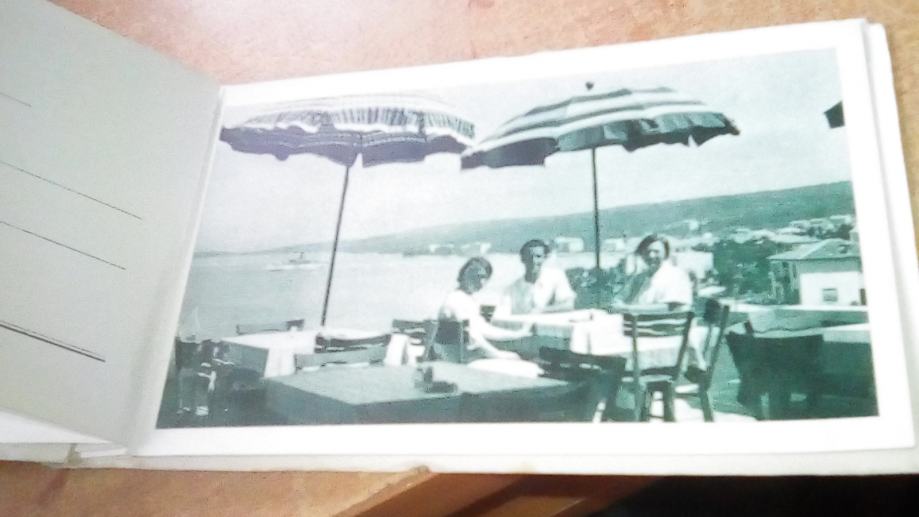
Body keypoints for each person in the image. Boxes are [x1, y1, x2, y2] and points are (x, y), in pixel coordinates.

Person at [438, 257, 531, 360]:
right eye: (477, 276)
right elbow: (472, 336)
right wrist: (498, 354)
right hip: (457, 360)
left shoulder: (467, 299)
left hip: (465, 355)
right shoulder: (455, 300)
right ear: (464, 274)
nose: (482, 282)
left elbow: (484, 329)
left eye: (485, 278)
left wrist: (516, 334)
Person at [494, 239, 576, 316]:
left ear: (544, 258)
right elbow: (502, 312)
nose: (534, 261)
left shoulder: (556, 277)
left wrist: (542, 311)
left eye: (538, 256)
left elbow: (568, 305)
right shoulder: (512, 288)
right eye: (529, 256)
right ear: (522, 259)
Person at [611, 234, 693, 311]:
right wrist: (618, 303)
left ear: (666, 254)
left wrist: (628, 308)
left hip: (666, 321)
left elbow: (671, 307)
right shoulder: (639, 277)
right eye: (647, 252)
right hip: (636, 320)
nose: (651, 256)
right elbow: (621, 298)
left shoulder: (677, 275)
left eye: (656, 252)